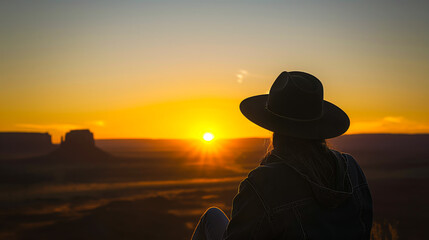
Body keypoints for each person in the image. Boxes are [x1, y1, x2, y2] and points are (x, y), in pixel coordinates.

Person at [191, 71, 373, 240]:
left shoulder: (263, 183)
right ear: (319, 126)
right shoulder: (350, 168)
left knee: (212, 217)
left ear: (275, 128)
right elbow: (364, 228)